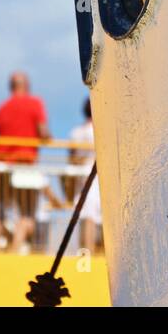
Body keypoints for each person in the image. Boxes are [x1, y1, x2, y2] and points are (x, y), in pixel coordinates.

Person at [0, 71, 50, 252]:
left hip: (1, 164)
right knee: (27, 214)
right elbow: (43, 132)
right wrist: (47, 138)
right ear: (26, 85)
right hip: (25, 163)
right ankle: (14, 251)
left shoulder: (1, 108)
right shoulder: (35, 103)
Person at [68, 97, 101, 254]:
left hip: (81, 174)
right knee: (92, 216)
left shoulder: (76, 132)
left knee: (84, 214)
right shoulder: (98, 130)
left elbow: (72, 158)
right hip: (96, 175)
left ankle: (84, 255)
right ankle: (90, 252)